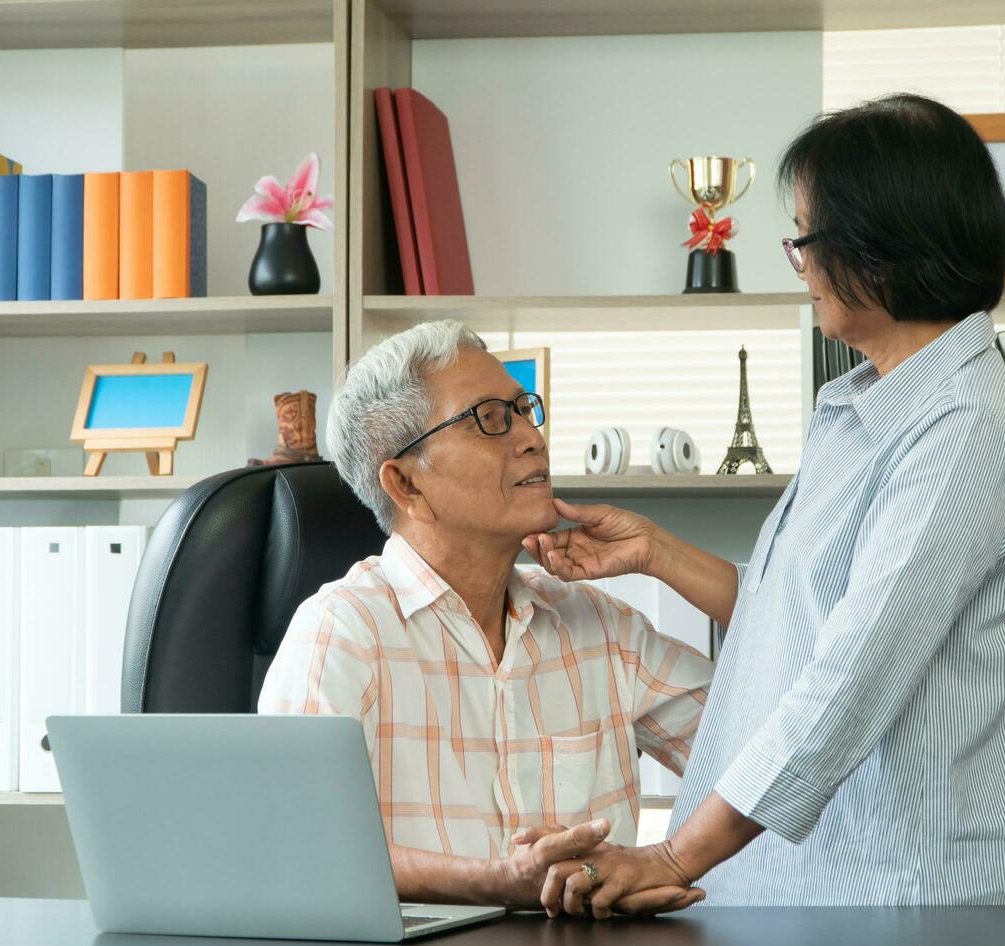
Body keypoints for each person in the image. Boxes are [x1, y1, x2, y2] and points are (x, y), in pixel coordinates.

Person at [524, 93, 1005, 919]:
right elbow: (808, 609)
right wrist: (654, 552)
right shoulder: (868, 405)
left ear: (883, 251)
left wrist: (671, 856)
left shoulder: (961, 431)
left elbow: (849, 682)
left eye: (807, 240)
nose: (802, 266)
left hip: (912, 909)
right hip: (822, 895)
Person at [258, 320, 714, 913]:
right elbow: (296, 847)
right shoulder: (341, 632)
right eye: (488, 418)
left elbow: (782, 745)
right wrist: (500, 880)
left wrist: (663, 554)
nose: (530, 437)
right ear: (405, 483)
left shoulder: (601, 627)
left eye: (523, 409)